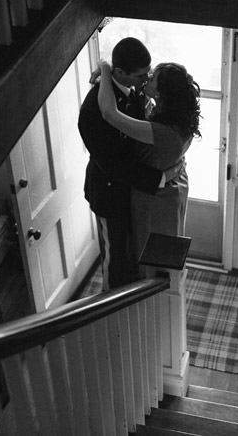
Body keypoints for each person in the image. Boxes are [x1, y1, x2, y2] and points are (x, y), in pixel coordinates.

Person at [78, 37, 183, 291]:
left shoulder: (133, 90)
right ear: (120, 72)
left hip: (131, 192)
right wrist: (161, 178)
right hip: (109, 193)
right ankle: (112, 312)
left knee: (132, 254)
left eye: (149, 74)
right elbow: (115, 164)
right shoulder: (94, 109)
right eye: (141, 76)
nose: (146, 80)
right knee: (115, 260)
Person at [96, 59, 201, 276]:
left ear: (162, 93)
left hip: (156, 199)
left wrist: (105, 68)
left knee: (155, 258)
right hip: (174, 187)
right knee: (168, 252)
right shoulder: (182, 117)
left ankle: (157, 300)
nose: (147, 79)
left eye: (152, 78)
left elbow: (109, 113)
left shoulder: (161, 131)